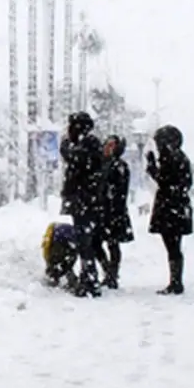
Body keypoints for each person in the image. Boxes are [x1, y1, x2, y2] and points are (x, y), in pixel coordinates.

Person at [57, 112, 105, 297]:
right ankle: (88, 277)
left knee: (85, 241)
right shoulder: (86, 144)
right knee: (83, 240)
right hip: (84, 201)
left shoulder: (88, 144)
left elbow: (75, 158)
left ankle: (90, 280)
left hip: (85, 201)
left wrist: (65, 146)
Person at [146, 125, 194, 295]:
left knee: (172, 245)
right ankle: (176, 280)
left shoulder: (171, 158)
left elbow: (164, 180)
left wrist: (152, 167)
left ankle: (175, 282)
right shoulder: (181, 157)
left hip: (170, 207)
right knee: (174, 245)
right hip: (177, 206)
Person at [98, 135, 134, 288]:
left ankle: (112, 274)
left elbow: (120, 190)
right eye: (107, 144)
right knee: (96, 243)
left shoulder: (119, 166)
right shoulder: (100, 163)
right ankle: (108, 271)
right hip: (101, 210)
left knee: (112, 244)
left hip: (113, 211)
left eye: (112, 145)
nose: (108, 148)